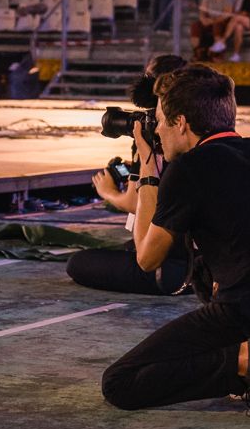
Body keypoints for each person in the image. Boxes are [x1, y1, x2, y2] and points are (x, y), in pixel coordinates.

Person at [101, 64, 250, 421]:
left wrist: (148, 167)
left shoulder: (187, 169)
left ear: (181, 123)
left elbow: (147, 259)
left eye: (162, 121)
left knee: (120, 382)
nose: (159, 131)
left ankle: (247, 362)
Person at [67, 55, 190, 295]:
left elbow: (136, 202)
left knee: (78, 263)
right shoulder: (202, 129)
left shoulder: (151, 134)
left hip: (171, 269)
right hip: (206, 264)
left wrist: (108, 192)